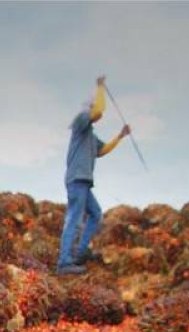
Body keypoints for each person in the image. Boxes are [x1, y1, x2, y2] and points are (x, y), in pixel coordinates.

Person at [58, 75, 130, 275]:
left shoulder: (90, 134)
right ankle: (64, 262)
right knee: (74, 217)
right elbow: (98, 111)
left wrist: (120, 136)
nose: (95, 113)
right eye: (92, 108)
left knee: (95, 214)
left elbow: (102, 150)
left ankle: (79, 254)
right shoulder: (80, 121)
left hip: (84, 181)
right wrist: (100, 88)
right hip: (76, 179)